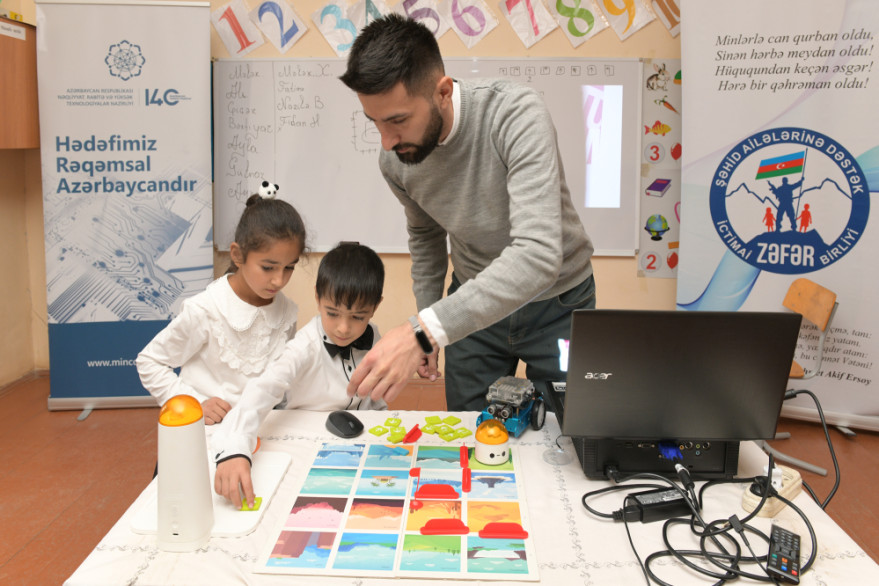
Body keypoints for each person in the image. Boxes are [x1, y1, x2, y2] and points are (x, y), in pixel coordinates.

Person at [339, 14, 596, 411]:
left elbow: (538, 256)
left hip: (559, 304)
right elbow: (425, 234)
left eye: (398, 120)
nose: (387, 141)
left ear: (442, 91)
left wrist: (423, 331)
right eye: (375, 122)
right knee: (471, 434)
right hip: (473, 312)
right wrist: (427, 316)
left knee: (575, 430)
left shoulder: (515, 114)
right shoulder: (395, 159)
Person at [212, 242, 387, 506]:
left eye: (358, 317)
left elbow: (376, 397)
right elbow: (263, 389)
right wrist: (235, 449)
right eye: (332, 313)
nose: (343, 328)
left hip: (352, 442)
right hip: (302, 437)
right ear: (317, 297)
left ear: (375, 307)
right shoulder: (304, 347)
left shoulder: (374, 336)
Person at [136, 181, 306, 425]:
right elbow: (150, 361)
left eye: (289, 267)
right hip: (210, 428)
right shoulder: (206, 308)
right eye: (268, 267)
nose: (279, 280)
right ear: (237, 255)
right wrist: (193, 403)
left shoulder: (286, 311)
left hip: (262, 429)